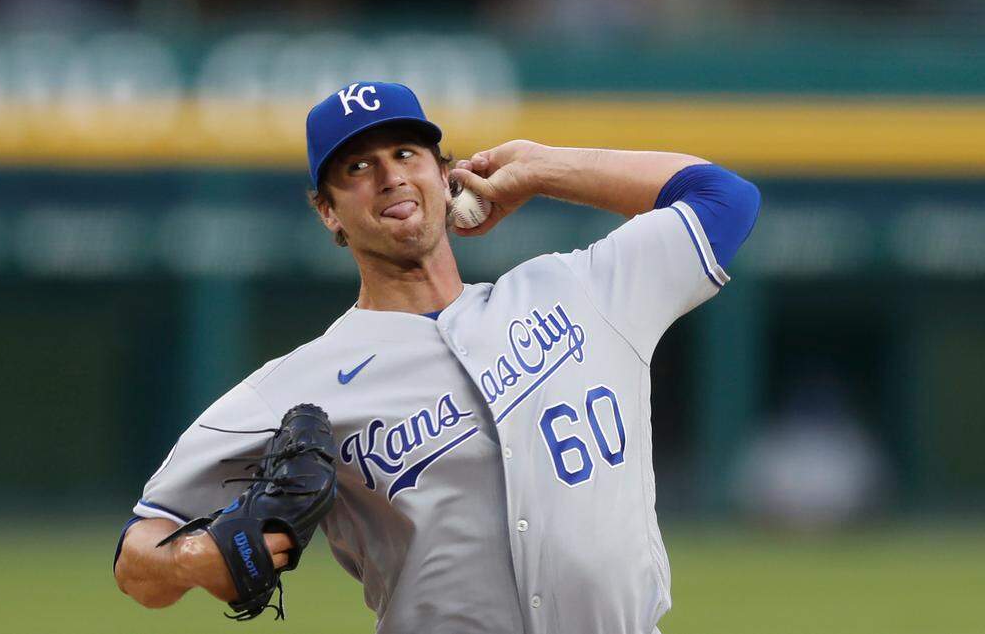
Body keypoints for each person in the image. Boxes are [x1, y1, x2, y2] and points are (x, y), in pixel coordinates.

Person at [113, 81, 761, 634]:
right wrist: (199, 559)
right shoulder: (300, 384)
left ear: (443, 171)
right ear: (328, 213)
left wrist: (540, 166)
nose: (390, 174)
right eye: (357, 167)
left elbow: (725, 199)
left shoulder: (579, 290)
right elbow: (138, 554)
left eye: (405, 152)